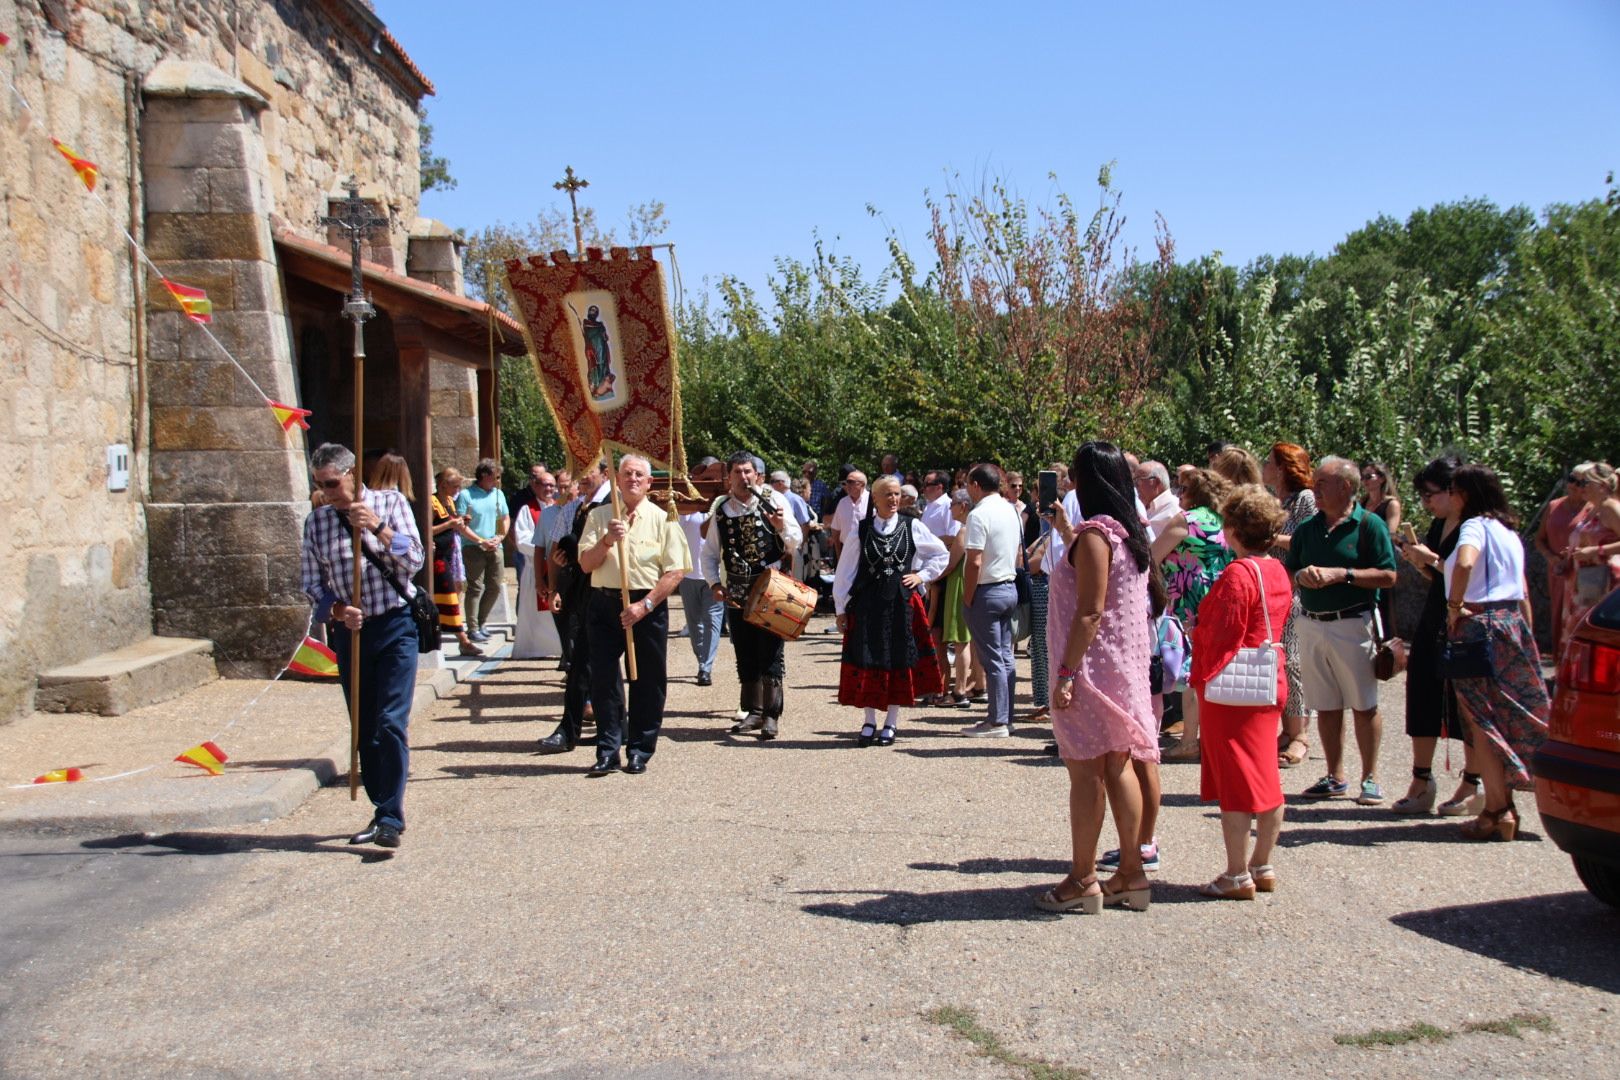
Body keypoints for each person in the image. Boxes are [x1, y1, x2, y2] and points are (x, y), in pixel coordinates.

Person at [1035, 442, 1160, 914]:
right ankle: (1131, 872)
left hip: (1089, 669)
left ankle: (1083, 877)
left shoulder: (1095, 535)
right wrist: (1067, 532)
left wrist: (1065, 673)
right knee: (1118, 765)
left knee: (1086, 774)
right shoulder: (1127, 533)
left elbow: (1090, 611)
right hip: (1122, 668)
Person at [300, 443, 424, 848]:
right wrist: (336, 610)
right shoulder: (316, 523)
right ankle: (380, 807)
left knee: (391, 721)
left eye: (333, 483)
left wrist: (377, 528)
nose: (328, 491)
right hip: (352, 634)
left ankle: (391, 816)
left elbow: (415, 559)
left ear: (353, 475)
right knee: (366, 727)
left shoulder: (389, 504)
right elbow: (309, 585)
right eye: (321, 484)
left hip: (395, 625)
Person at [1190, 485, 1293, 899]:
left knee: (1236, 781)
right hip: (1269, 679)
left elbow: (1220, 631)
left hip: (1235, 687)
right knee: (1266, 774)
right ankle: (1262, 863)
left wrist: (1197, 643)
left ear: (1233, 528)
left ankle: (1236, 873)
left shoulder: (1238, 573)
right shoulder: (1277, 570)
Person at [1444, 463, 1550, 841]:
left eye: (1453, 490)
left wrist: (1453, 607)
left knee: (1481, 719)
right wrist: (1528, 636)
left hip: (1477, 626)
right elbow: (1521, 590)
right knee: (1507, 713)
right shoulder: (1509, 532)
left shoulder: (1473, 527)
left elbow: (1467, 562)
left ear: (1466, 495)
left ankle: (1495, 810)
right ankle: (1503, 805)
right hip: (1511, 624)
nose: (1450, 496)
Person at [1285, 456, 1399, 805]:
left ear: (1346, 487)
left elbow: (1389, 575)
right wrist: (1302, 576)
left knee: (1364, 704)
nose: (1315, 489)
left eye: (1322, 483)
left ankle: (1370, 777)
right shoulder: (1307, 529)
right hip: (1312, 623)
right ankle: (1335, 775)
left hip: (1353, 622)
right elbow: (1291, 570)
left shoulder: (1370, 526)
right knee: (1327, 704)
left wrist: (1343, 574)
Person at [577, 455, 692, 775]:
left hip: (646, 606)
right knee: (603, 679)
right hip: (604, 604)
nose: (632, 479)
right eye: (626, 474)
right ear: (617, 479)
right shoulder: (600, 517)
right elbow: (586, 564)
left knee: (648, 679)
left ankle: (640, 748)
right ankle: (608, 749)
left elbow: (675, 571)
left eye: (639, 475)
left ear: (649, 482)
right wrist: (608, 540)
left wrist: (645, 606)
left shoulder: (663, 518)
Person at [1394, 454, 1482, 815]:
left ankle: (1472, 782)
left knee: (1466, 703)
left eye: (1431, 494)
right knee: (1423, 691)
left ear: (1453, 490)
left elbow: (1468, 574)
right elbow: (1440, 578)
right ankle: (1422, 778)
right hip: (1435, 615)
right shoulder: (1440, 524)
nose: (1427, 502)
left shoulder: (1474, 527)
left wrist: (1428, 559)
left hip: (1462, 618)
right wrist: (1422, 562)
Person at [833, 476, 950, 745]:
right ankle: (869, 721)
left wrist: (921, 576)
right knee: (869, 658)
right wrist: (840, 607)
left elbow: (941, 554)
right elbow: (845, 571)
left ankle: (891, 723)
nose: (894, 499)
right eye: (887, 494)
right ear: (875, 499)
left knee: (897, 659)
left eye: (897, 494)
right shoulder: (861, 531)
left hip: (900, 603)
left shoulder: (913, 526)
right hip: (867, 605)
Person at [703, 452, 802, 738]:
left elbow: (796, 541)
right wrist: (713, 584)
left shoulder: (774, 500)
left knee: (770, 650)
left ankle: (771, 714)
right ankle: (753, 712)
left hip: (771, 589)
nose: (743, 477)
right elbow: (709, 553)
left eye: (748, 472)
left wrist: (781, 527)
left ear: (757, 475)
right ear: (729, 477)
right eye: (737, 472)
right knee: (744, 650)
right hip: (736, 590)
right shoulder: (721, 509)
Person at [1153, 468, 1235, 762]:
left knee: (1191, 669)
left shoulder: (1186, 521)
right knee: (1213, 667)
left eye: (1183, 489)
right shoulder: (1225, 522)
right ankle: (1212, 737)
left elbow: (1152, 555)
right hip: (1220, 598)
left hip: (1189, 601)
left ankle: (1189, 740)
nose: (1179, 495)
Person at [535, 464, 610, 755]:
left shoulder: (612, 504)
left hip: (606, 594)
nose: (582, 477)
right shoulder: (574, 508)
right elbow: (555, 550)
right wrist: (555, 587)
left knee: (587, 666)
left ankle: (573, 730)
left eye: (587, 470)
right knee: (586, 664)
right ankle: (611, 728)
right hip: (581, 593)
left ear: (604, 473)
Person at [1262, 443, 1317, 768]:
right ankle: (1287, 729)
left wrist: (1268, 537)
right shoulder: (1278, 501)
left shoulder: (1304, 499)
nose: (1264, 466)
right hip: (1275, 588)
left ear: (1283, 467)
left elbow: (1306, 539)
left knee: (1293, 661)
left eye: (1269, 462)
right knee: (1279, 659)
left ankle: (1300, 735)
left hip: (1295, 589)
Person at [960, 463, 1023, 737]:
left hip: (987, 589)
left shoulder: (979, 514)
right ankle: (1005, 716)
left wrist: (968, 596)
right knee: (1005, 656)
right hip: (1009, 586)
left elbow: (974, 561)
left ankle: (997, 721)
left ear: (975, 485)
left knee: (993, 658)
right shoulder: (1011, 509)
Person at [1560, 461, 1620, 660]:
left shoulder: (1611, 508)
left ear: (1601, 485)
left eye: (1586, 483)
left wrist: (1596, 550)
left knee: (1592, 635)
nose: (1581, 487)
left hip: (1603, 582)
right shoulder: (1592, 509)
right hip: (1584, 582)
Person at [678, 457, 726, 687]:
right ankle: (702, 661)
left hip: (714, 576)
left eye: (710, 478)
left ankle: (705, 667)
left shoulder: (722, 504)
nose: (705, 482)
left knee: (712, 621)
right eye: (701, 477)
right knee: (694, 623)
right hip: (688, 574)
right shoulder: (687, 505)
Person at [429, 467, 481, 658]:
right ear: (443, 485)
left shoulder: (449, 501)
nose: (457, 490)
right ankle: (463, 640)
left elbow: (454, 526)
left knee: (455, 591)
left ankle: (446, 630)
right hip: (438, 558)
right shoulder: (432, 502)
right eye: (455, 486)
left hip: (451, 555)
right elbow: (425, 529)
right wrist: (449, 524)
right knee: (448, 596)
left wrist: (460, 523)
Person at [511, 468, 562, 659]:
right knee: (533, 611)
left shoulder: (560, 507)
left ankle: (558, 647)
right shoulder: (527, 509)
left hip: (556, 566)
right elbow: (522, 539)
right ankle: (533, 648)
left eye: (551, 485)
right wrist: (544, 551)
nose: (548, 488)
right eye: (544, 484)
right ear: (535, 486)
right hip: (535, 567)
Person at [457, 458, 509, 643]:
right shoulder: (466, 495)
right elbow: (461, 524)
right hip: (473, 547)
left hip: (495, 545)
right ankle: (472, 627)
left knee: (494, 586)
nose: (497, 480)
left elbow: (505, 517)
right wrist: (480, 541)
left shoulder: (498, 494)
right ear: (485, 475)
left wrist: (500, 537)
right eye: (495, 477)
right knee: (475, 587)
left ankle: (482, 621)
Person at [1533, 470, 1585, 653]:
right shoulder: (1554, 506)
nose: (1574, 485)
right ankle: (1558, 665)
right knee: (1557, 616)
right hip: (1556, 570)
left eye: (1581, 482)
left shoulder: (1594, 508)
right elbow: (1539, 539)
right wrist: (1551, 558)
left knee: (1577, 618)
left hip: (1582, 572)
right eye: (1571, 480)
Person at [1360, 462, 1403, 639]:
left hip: (1380, 557)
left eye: (1369, 477)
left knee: (1384, 603)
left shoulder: (1391, 504)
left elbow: (1390, 532)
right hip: (1362, 557)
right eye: (1363, 478)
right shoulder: (1362, 502)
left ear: (1382, 478)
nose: (1365, 481)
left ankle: (1387, 647)